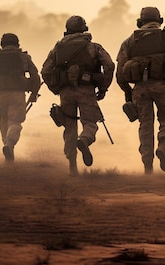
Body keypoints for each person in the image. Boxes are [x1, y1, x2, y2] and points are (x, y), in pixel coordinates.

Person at [116, 7, 165, 174]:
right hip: (163, 87)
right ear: (160, 20)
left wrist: (128, 93)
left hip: (140, 89)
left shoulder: (129, 41)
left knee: (145, 125)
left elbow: (120, 72)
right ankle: (163, 146)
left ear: (140, 22)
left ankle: (147, 165)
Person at [41, 15, 114, 176]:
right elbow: (109, 65)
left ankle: (72, 165)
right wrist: (103, 87)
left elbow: (45, 71)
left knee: (69, 126)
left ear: (67, 30)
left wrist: (56, 88)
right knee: (90, 123)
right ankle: (84, 140)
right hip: (86, 90)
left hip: (66, 92)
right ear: (84, 29)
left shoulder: (57, 48)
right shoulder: (93, 47)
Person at [0, 33, 41, 162]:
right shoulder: (23, 57)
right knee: (15, 122)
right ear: (17, 44)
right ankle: (9, 145)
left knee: (3, 121)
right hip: (17, 94)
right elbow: (35, 75)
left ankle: (7, 149)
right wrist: (34, 92)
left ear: (2, 44)